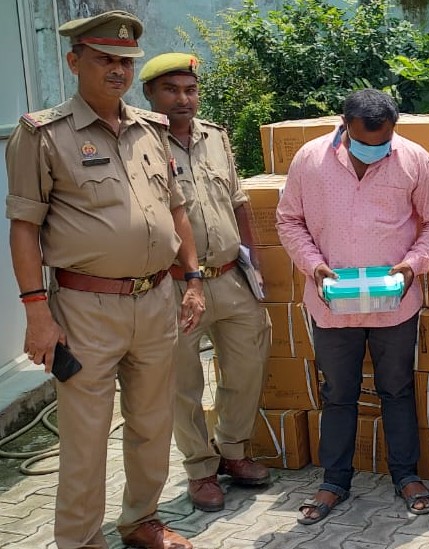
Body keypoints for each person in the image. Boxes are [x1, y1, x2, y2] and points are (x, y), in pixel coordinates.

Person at [6, 10, 204, 549]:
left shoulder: (151, 129)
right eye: (104, 59)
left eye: (125, 61)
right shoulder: (42, 134)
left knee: (152, 423)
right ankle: (79, 539)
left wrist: (191, 279)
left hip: (156, 300)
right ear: (74, 62)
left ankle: (141, 520)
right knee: (86, 435)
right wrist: (36, 312)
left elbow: (176, 210)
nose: (118, 70)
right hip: (85, 308)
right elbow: (24, 228)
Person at [277, 88, 429, 525]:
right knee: (338, 393)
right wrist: (313, 266)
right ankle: (334, 481)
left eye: (383, 141)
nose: (374, 151)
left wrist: (413, 265)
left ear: (394, 127)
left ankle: (406, 476)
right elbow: (288, 220)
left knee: (397, 389)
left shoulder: (414, 160)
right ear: (344, 126)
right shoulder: (309, 160)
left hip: (394, 303)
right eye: (363, 141)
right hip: (332, 304)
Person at [140, 53, 273, 513]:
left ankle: (232, 449)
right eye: (171, 90)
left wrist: (254, 262)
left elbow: (238, 201)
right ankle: (200, 469)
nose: (183, 99)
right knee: (183, 382)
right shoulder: (138, 143)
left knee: (248, 366)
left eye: (190, 90)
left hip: (230, 276)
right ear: (150, 94)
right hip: (176, 285)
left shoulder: (215, 136)